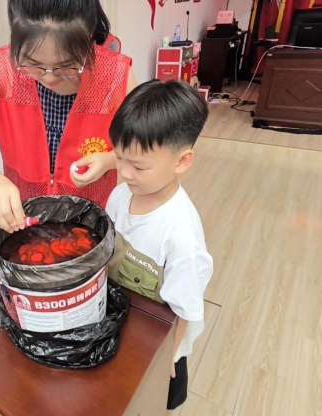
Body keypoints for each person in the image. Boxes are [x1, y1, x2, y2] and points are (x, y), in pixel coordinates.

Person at [0, 0, 137, 233]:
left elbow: (140, 148)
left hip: (90, 223)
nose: (49, 78)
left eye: (66, 66)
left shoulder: (115, 76)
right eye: (32, 64)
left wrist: (110, 160)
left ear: (88, 38)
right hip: (25, 222)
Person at [105, 80, 214, 415]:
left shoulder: (181, 235)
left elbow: (184, 309)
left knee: (155, 400)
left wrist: (168, 356)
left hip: (164, 340)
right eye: (119, 157)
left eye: (138, 166)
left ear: (182, 161)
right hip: (124, 318)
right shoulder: (120, 195)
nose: (124, 173)